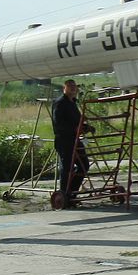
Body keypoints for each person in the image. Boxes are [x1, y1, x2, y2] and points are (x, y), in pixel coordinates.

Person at [51, 79, 85, 209]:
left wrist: (86, 127)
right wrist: (74, 129)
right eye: (69, 86)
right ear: (64, 89)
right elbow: (58, 123)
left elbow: (77, 121)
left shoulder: (73, 103)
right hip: (64, 140)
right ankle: (64, 195)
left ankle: (72, 193)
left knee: (84, 165)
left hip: (76, 139)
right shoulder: (60, 103)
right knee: (66, 167)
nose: (72, 88)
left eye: (74, 86)